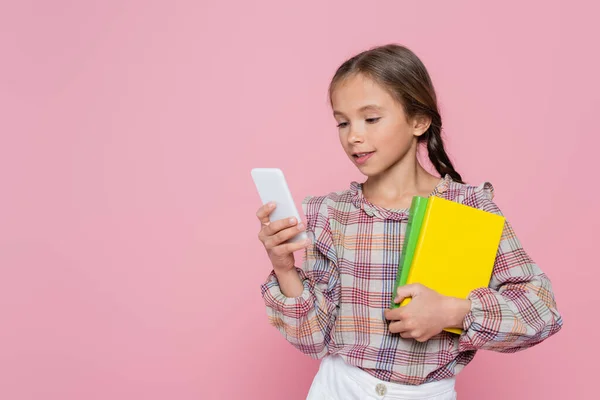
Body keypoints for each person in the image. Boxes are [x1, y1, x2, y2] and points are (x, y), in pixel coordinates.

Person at [255, 44, 562, 400]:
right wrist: (285, 269)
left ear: (419, 120)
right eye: (342, 122)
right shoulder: (330, 213)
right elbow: (313, 339)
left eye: (371, 119)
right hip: (338, 389)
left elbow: (543, 313)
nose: (353, 135)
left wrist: (454, 311)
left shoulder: (470, 210)